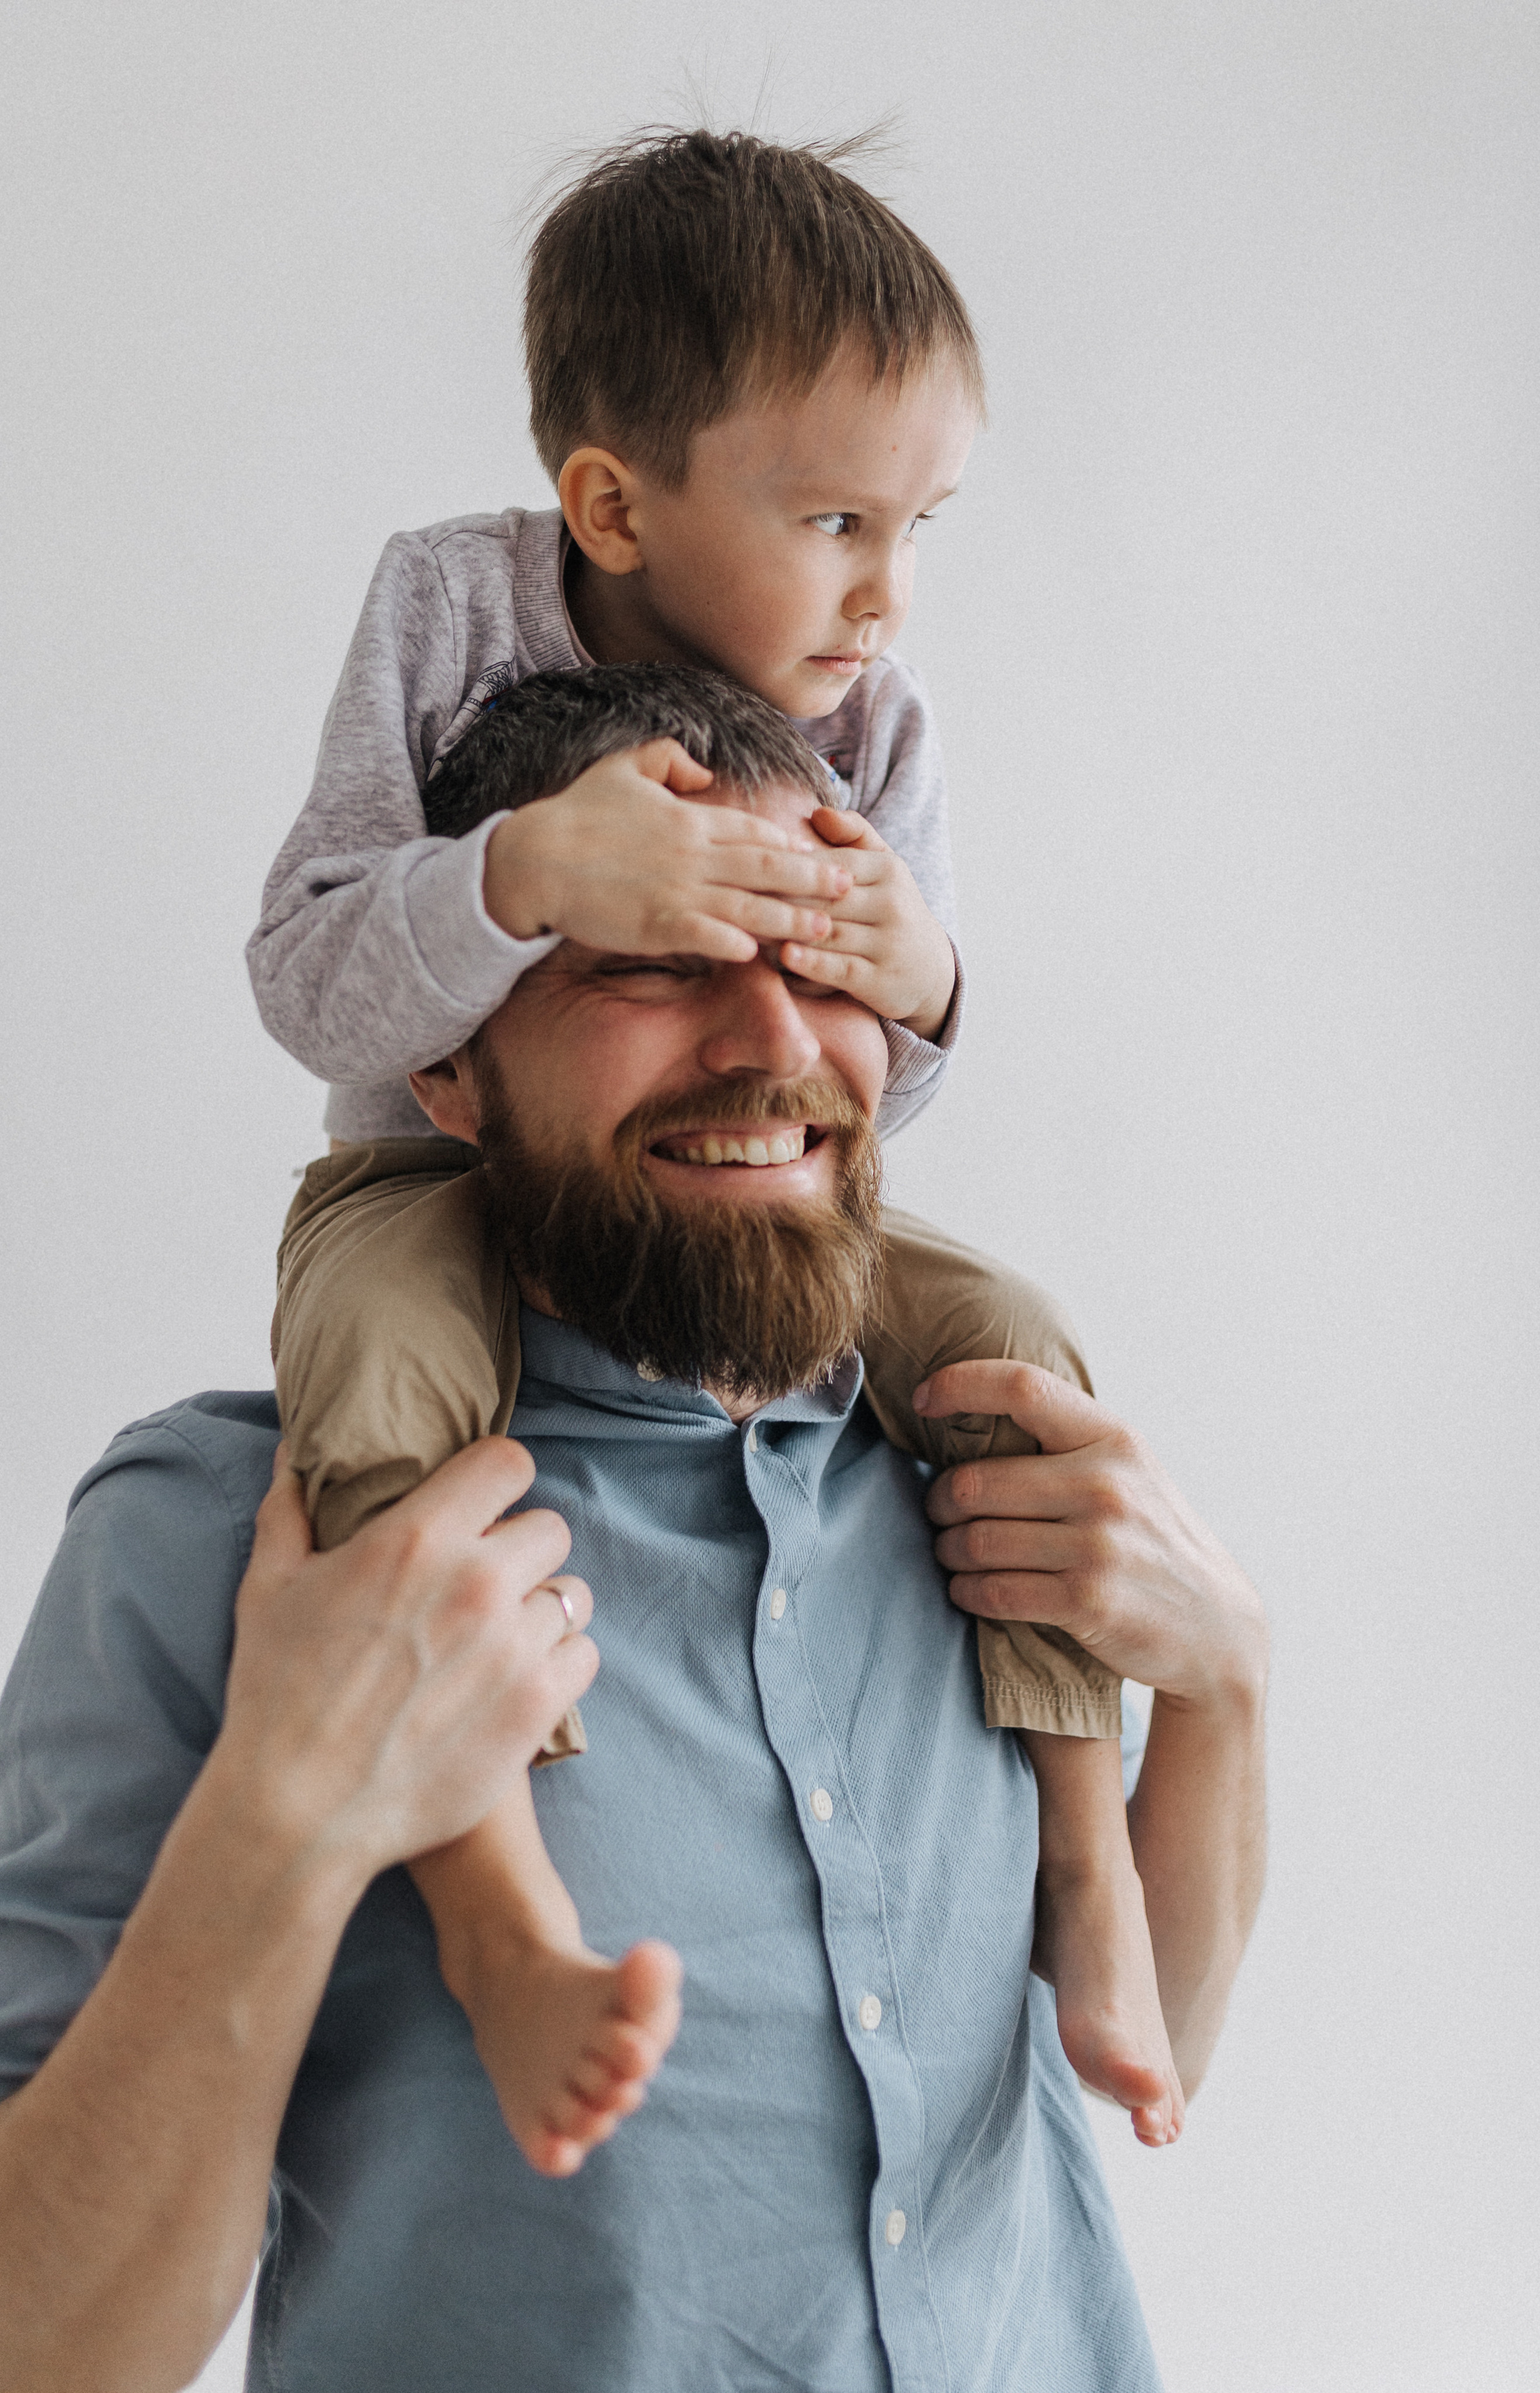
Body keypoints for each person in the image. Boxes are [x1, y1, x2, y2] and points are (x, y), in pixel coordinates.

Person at [0, 683, 1268, 2393]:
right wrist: (285, 1809)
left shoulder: (988, 1487)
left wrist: (1225, 1688)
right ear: (447, 1059)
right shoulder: (237, 1544)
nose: (770, 1039)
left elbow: (1133, 2066)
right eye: (656, 966)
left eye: (825, 961)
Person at [250, 123, 1179, 2167]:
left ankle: (1086, 1865)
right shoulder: (452, 610)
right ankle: (503, 1914)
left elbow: (855, 1111)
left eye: (922, 523)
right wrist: (521, 880)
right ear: (612, 503)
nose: (887, 592)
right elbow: (309, 982)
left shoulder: (879, 722)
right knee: (379, 1391)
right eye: (839, 519)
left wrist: (922, 978)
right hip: (435, 1178)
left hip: (731, 1208)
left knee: (1013, 1341)